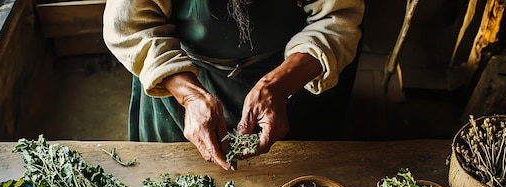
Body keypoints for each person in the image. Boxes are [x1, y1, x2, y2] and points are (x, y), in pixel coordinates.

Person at [103, 0, 364, 170]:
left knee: (294, 170)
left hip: (290, 65)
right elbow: (132, 28)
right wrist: (190, 96)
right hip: (180, 69)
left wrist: (279, 83)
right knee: (175, 171)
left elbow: (336, 20)